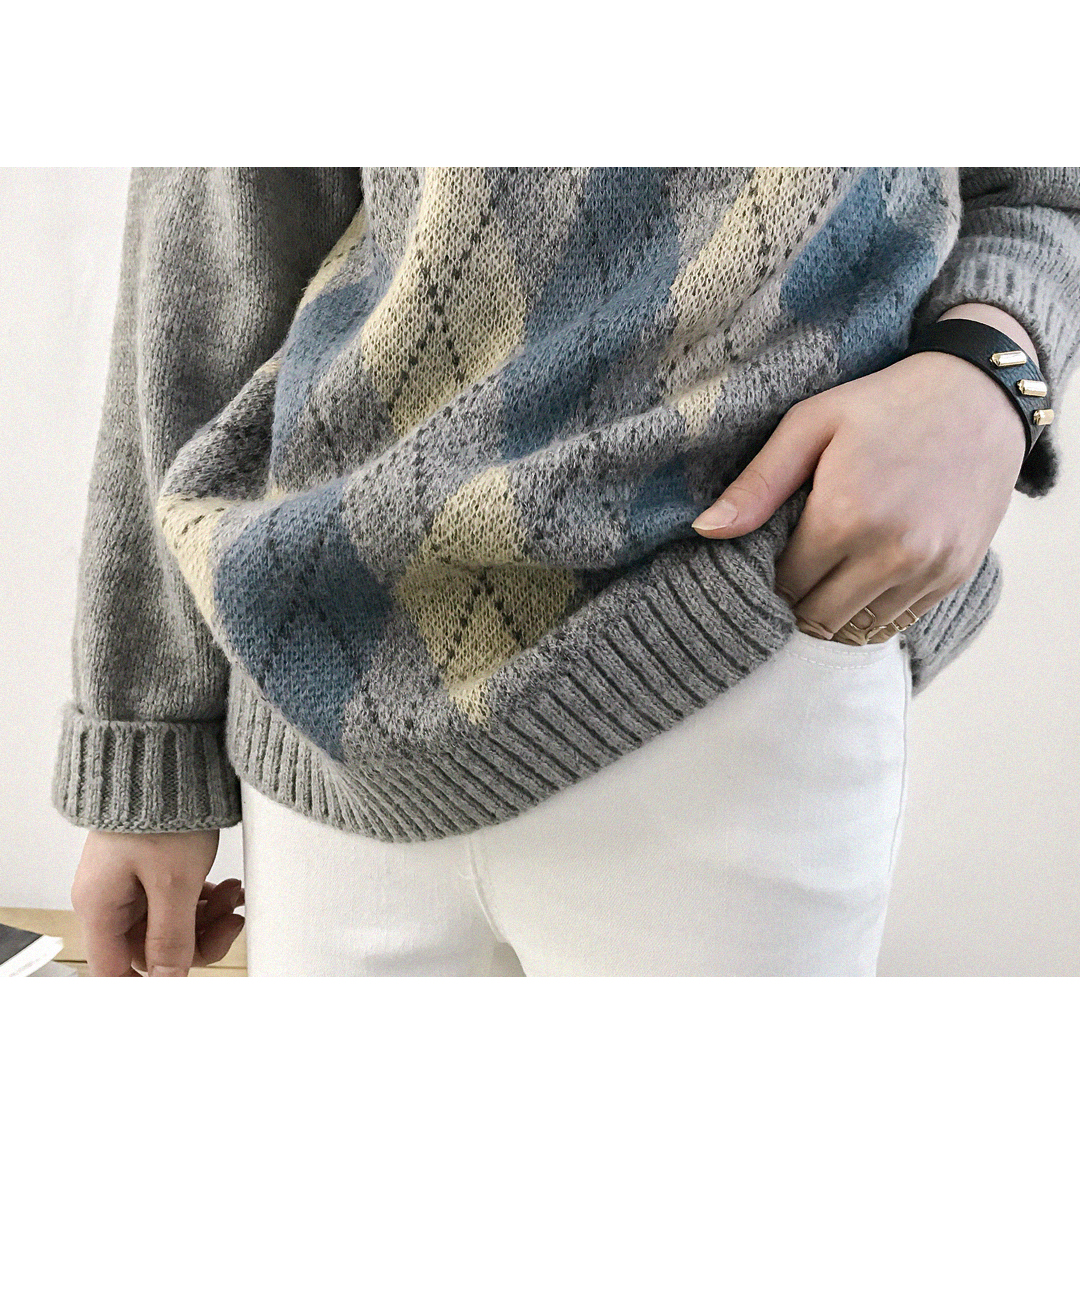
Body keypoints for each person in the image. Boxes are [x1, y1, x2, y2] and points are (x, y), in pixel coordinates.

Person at [53, 167, 1080, 976]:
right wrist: (144, 739)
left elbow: (1044, 180)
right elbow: (208, 261)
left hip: (736, 656)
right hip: (331, 685)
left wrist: (992, 370)